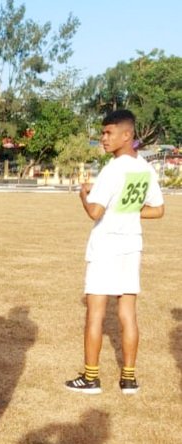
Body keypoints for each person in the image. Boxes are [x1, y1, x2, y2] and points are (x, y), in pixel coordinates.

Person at [65, 109, 164, 394]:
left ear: (127, 135)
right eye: (103, 133)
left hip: (106, 246)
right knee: (127, 313)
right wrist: (129, 209)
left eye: (109, 133)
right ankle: (129, 378)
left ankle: (91, 377)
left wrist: (84, 195)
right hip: (131, 245)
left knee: (95, 314)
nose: (103, 138)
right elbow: (158, 210)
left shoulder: (112, 169)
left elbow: (95, 211)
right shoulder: (145, 168)